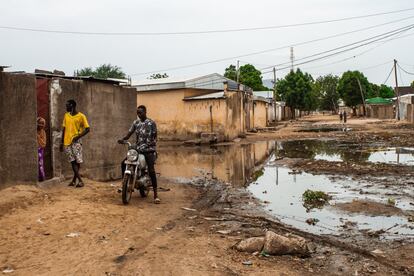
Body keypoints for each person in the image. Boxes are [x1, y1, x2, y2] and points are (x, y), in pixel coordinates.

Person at [119, 105, 160, 204]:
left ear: (145, 112)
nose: (139, 114)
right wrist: (124, 139)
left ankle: (156, 195)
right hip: (138, 149)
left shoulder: (151, 123)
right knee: (123, 163)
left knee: (151, 170)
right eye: (137, 112)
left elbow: (155, 137)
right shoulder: (136, 122)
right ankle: (124, 184)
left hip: (149, 150)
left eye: (140, 112)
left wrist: (151, 143)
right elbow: (129, 133)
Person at [60, 99, 90, 187]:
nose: (66, 107)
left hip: (76, 142)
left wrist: (78, 137)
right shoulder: (66, 115)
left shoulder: (81, 116)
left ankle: (77, 181)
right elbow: (64, 129)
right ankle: (78, 181)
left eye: (67, 105)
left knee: (77, 161)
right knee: (72, 161)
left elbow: (88, 129)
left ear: (72, 106)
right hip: (67, 142)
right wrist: (61, 142)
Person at [37, 117, 47, 181]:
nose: (41, 125)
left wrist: (38, 137)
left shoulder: (43, 132)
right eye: (40, 123)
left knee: (40, 164)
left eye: (42, 124)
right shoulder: (34, 131)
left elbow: (44, 144)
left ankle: (42, 178)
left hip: (40, 150)